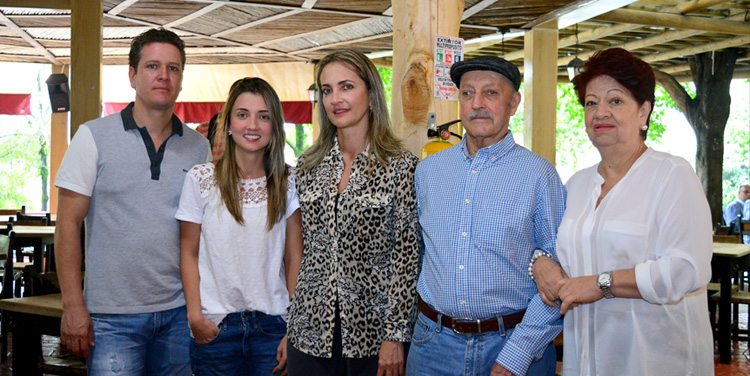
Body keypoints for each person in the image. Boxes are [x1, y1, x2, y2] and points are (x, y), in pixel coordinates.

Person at [531, 48, 714, 375]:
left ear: (644, 112)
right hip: (585, 357)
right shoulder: (575, 185)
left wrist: (601, 284)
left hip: (654, 359)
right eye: (591, 102)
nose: (600, 112)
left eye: (615, 101)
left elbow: (685, 270)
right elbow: (555, 249)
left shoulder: (672, 175)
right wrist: (541, 262)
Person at [54, 28, 210, 374]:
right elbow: (67, 224)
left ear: (181, 78)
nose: (163, 76)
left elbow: (201, 232)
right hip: (112, 318)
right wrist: (73, 305)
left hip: (179, 314)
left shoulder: (199, 147)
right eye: (153, 66)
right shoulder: (93, 136)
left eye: (173, 68)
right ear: (132, 76)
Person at [406, 55, 565, 376]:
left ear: (514, 102)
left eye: (490, 93)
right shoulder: (429, 171)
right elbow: (414, 256)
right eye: (467, 93)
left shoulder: (539, 175)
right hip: (431, 348)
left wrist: (517, 355)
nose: (477, 103)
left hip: (512, 344)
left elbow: (560, 271)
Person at [286, 49, 421, 376]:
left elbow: (407, 257)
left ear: (371, 94)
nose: (335, 99)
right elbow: (301, 250)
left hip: (374, 338)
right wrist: (292, 321)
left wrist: (395, 335)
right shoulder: (308, 166)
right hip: (309, 334)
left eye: (346, 87)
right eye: (327, 90)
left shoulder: (400, 167)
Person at [176, 77, 303, 375]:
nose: (252, 126)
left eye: (263, 116)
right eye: (243, 115)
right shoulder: (200, 179)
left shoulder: (289, 182)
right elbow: (188, 253)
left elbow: (294, 257)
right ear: (228, 124)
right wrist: (195, 315)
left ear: (274, 127)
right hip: (216, 327)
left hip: (273, 326)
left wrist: (293, 326)